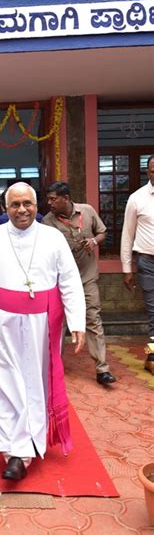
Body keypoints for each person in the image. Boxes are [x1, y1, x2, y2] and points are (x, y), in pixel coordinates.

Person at [0, 182, 85, 481]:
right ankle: (9, 446)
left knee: (33, 384)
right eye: (15, 205)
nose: (22, 210)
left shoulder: (52, 238)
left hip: (41, 325)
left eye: (27, 204)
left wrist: (77, 322)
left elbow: (70, 281)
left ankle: (22, 452)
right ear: (5, 209)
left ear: (37, 205)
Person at [43, 181, 116, 386]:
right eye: (48, 199)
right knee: (58, 322)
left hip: (87, 277)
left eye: (53, 199)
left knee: (93, 318)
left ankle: (102, 369)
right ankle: (54, 365)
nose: (49, 203)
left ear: (66, 198)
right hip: (60, 282)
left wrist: (94, 241)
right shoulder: (48, 222)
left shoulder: (87, 211)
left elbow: (102, 232)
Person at [120, 154, 154, 373]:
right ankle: (153, 355)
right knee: (153, 309)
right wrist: (126, 268)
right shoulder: (137, 198)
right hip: (147, 262)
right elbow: (127, 233)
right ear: (147, 172)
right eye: (153, 169)